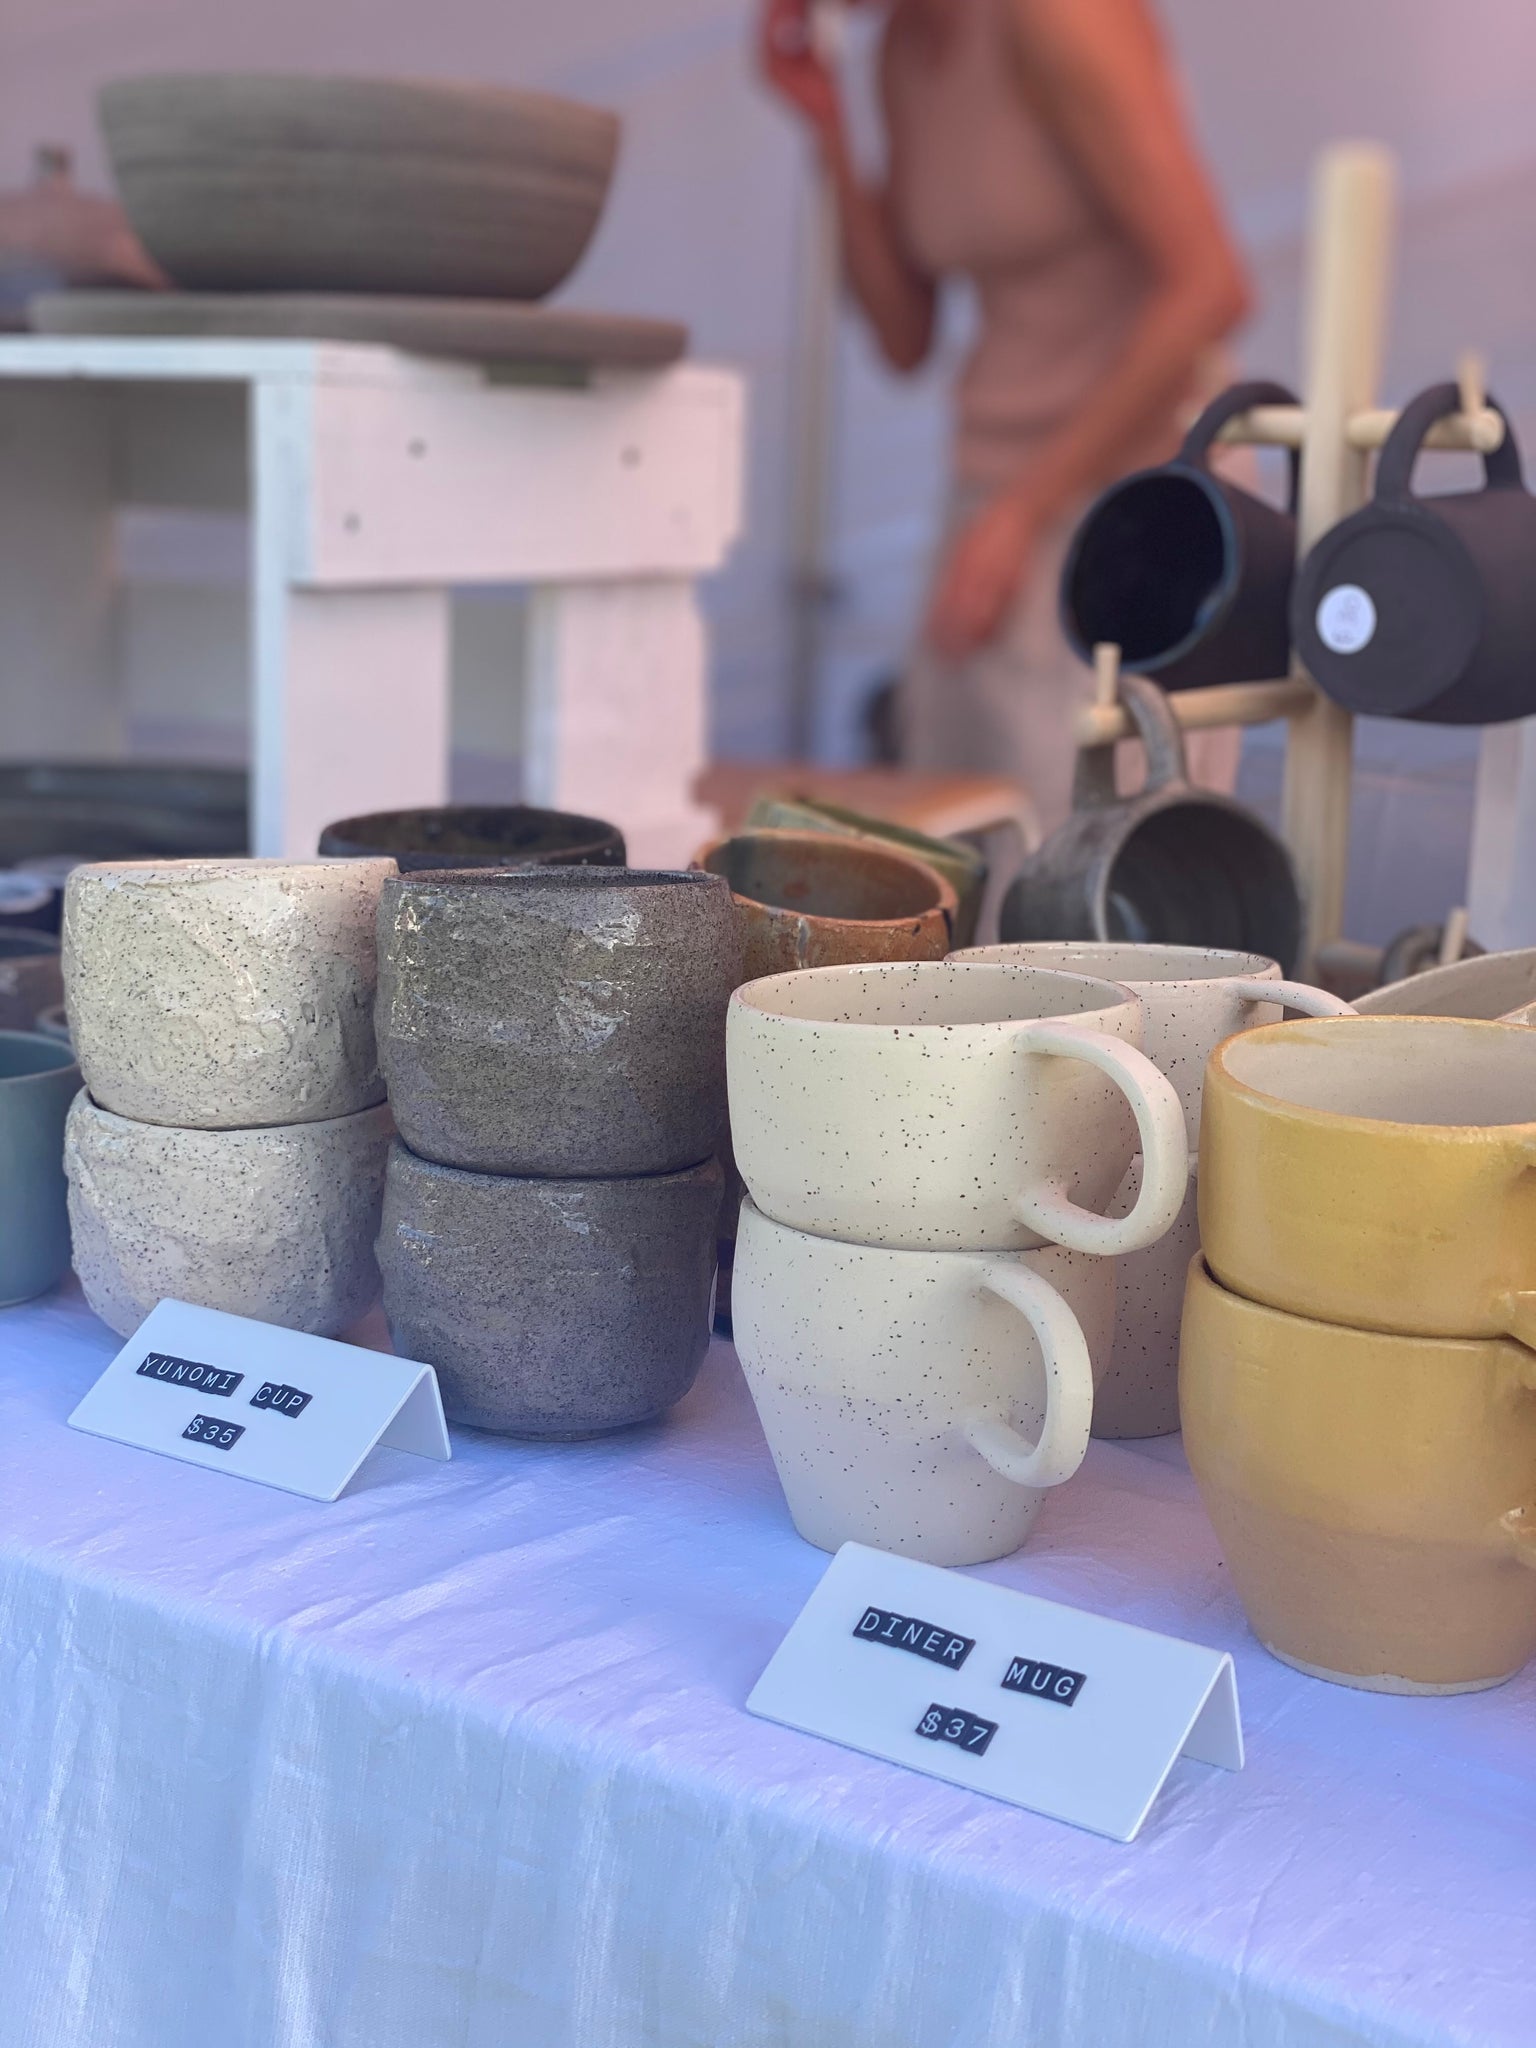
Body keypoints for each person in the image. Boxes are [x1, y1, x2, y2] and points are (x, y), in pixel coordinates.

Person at [759, 0, 1252, 832]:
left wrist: (1023, 511)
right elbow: (905, 336)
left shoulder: (1058, 19)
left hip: (1135, 501)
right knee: (953, 843)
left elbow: (1211, 286)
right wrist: (827, 123)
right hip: (996, 494)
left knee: (1089, 866)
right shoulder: (901, 52)